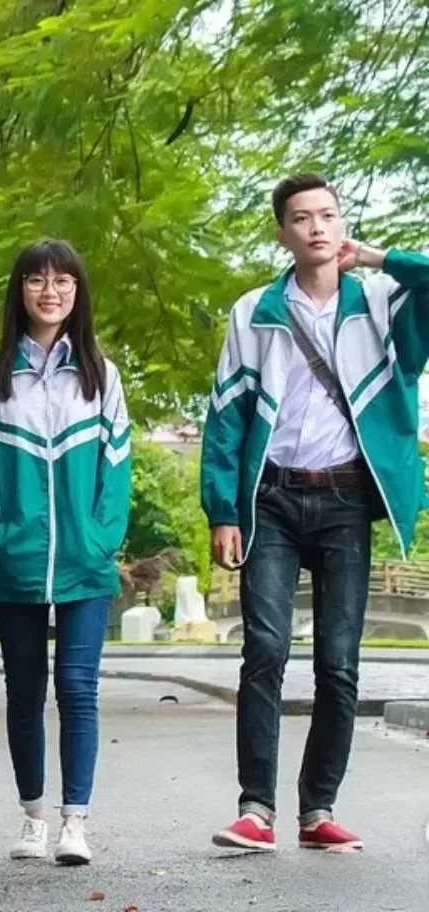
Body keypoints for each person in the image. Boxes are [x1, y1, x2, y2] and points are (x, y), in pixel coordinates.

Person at [202, 173, 429, 852]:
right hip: (270, 498)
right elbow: (226, 415)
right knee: (265, 650)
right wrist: (222, 510)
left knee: (338, 662)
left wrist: (381, 258)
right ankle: (255, 809)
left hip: (345, 499)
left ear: (342, 225)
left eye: (328, 215)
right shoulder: (255, 311)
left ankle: (317, 809)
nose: (317, 227)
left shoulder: (382, 301)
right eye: (301, 218)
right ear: (283, 232)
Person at [0, 239, 130, 866]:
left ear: (78, 292)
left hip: (85, 560)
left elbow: (117, 467)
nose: (50, 291)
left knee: (78, 689)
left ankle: (74, 822)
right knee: (24, 692)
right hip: (17, 559)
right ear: (20, 290)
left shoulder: (101, 373)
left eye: (63, 280)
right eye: (36, 279)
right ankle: (33, 817)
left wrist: (100, 538)